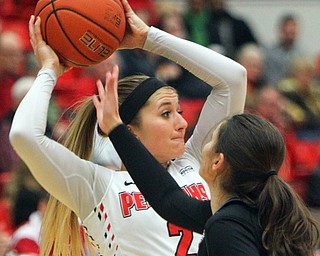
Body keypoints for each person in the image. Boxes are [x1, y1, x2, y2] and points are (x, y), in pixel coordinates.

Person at [9, 0, 246, 255]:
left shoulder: (196, 159)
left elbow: (234, 78)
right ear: (129, 129)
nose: (183, 122)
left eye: (179, 111)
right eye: (166, 113)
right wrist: (49, 70)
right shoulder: (97, 186)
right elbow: (24, 135)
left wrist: (148, 38)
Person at [96, 86, 320, 255]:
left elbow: (232, 78)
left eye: (211, 140)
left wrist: (149, 38)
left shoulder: (226, 226)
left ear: (217, 162)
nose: (202, 144)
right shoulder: (258, 210)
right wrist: (116, 129)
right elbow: (166, 199)